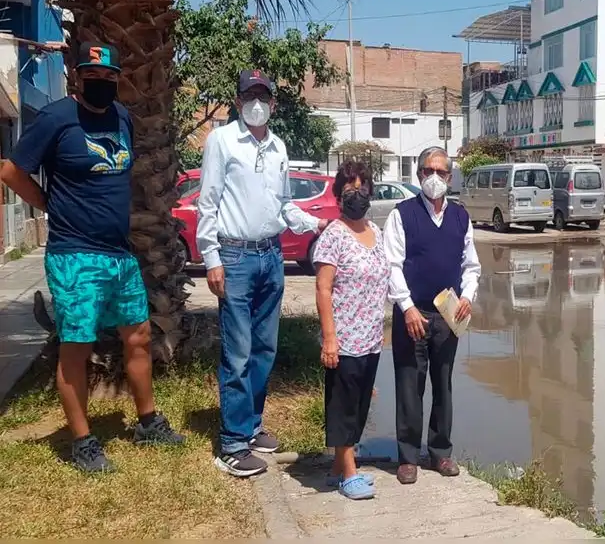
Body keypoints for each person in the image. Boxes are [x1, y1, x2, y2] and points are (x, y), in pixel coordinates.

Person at [0, 42, 185, 473]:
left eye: (108, 78)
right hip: (75, 255)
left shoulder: (122, 118)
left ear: (117, 79)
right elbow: (11, 170)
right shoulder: (56, 119)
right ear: (76, 78)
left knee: (138, 338)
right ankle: (82, 441)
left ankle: (147, 422)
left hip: (120, 255)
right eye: (91, 77)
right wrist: (49, 204)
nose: (100, 84)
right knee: (77, 347)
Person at [197, 69, 329, 477]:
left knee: (264, 349)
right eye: (249, 94)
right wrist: (212, 258)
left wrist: (314, 224)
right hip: (234, 258)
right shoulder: (221, 141)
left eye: (263, 95)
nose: (256, 102)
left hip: (271, 257)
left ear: (273, 103)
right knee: (237, 352)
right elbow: (208, 203)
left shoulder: (278, 147)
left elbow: (284, 205)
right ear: (238, 102)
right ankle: (232, 444)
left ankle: (251, 426)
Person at [382, 146, 482, 485]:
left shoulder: (460, 217)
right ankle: (408, 457)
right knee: (410, 382)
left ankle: (440, 452)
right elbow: (392, 265)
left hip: (448, 313)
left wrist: (468, 296)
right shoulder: (402, 214)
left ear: (450, 177)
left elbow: (471, 265)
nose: (434, 178)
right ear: (419, 175)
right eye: (428, 171)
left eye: (441, 172)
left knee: (444, 381)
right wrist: (406, 307)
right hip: (413, 312)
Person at [312, 160, 388, 500]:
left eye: (362, 188)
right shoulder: (333, 235)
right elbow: (323, 289)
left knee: (358, 405)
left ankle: (336, 469)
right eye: (348, 190)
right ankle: (349, 474)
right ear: (338, 195)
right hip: (343, 337)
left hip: (370, 338)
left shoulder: (377, 232)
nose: (357, 195)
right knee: (342, 405)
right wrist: (329, 337)